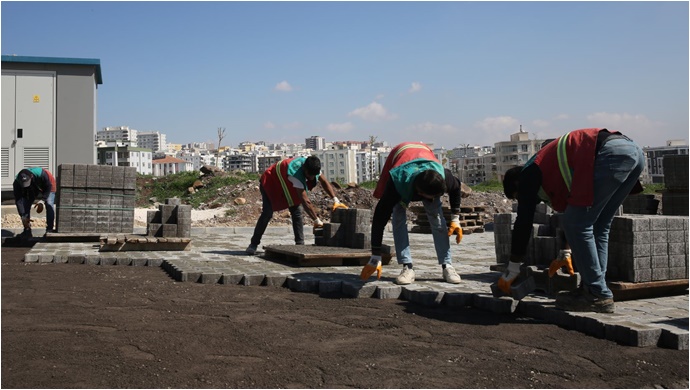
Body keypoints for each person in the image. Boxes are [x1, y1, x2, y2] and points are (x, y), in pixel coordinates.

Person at [499, 128, 644, 313]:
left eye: (518, 196)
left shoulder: (529, 173)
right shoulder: (553, 172)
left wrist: (512, 268)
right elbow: (578, 217)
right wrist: (565, 252)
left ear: (518, 185)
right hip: (633, 151)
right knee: (598, 226)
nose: (524, 200)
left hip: (610, 153)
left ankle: (597, 294)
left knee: (579, 224)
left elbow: (523, 222)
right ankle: (592, 289)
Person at [360, 142, 464, 285]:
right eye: (430, 197)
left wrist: (455, 218)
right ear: (419, 193)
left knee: (437, 219)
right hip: (399, 155)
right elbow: (379, 219)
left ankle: (447, 266)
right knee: (398, 218)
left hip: (423, 154)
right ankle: (407, 267)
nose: (433, 200)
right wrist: (375, 256)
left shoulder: (442, 175)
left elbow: (456, 188)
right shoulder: (396, 184)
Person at [246, 155, 347, 254]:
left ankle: (300, 245)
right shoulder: (295, 174)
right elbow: (305, 200)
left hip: (285, 184)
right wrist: (316, 220)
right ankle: (253, 244)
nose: (311, 178)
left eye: (313, 176)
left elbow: (324, 181)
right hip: (270, 183)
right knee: (267, 213)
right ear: (304, 169)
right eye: (309, 175)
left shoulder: (312, 166)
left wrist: (335, 199)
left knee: (297, 212)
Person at [13, 167, 57, 238]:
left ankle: (49, 230)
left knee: (49, 203)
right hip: (33, 186)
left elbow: (48, 186)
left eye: (26, 182)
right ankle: (27, 231)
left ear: (31, 177)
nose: (25, 184)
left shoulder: (42, 174)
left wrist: (43, 200)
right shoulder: (17, 183)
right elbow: (19, 200)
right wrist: (23, 215)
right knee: (26, 204)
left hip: (48, 184)